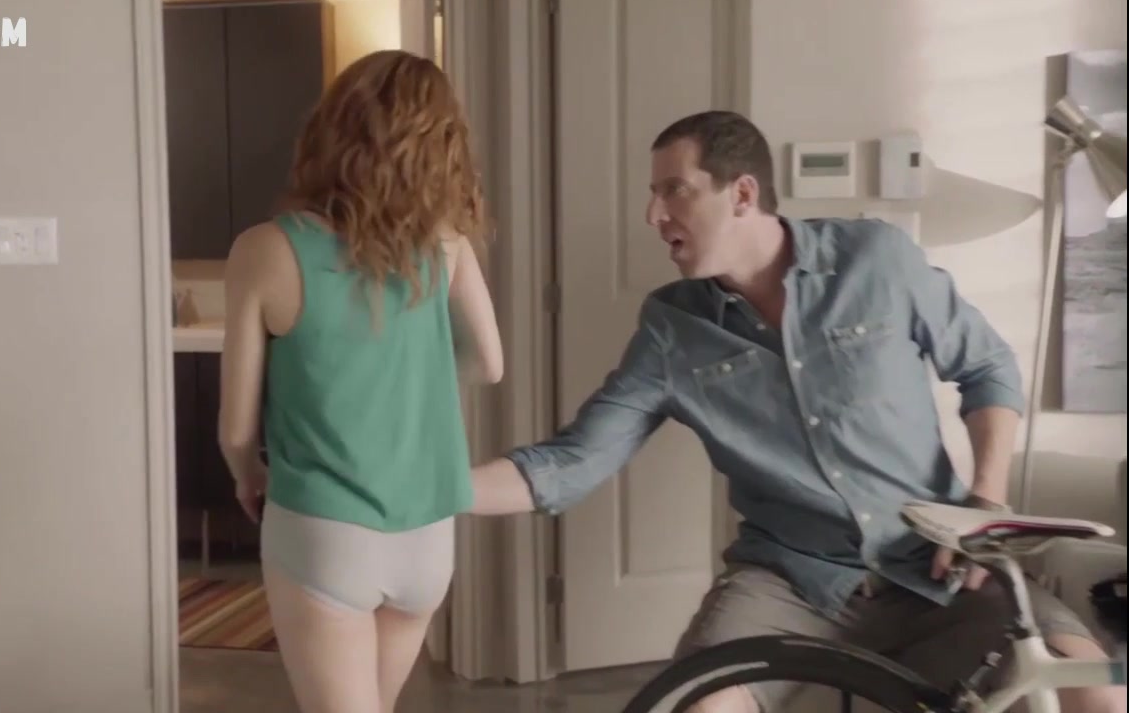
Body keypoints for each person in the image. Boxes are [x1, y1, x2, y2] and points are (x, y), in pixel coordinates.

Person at [468, 110, 1125, 713]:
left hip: (938, 567)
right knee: (696, 707)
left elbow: (987, 368)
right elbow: (574, 461)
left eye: (674, 190)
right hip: (790, 581)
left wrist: (986, 498)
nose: (653, 214)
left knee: (1098, 694)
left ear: (742, 194)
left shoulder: (876, 260)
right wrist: (438, 489)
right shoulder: (672, 328)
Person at [217, 49, 503, 713]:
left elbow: (235, 428)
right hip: (427, 536)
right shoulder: (446, 245)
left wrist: (247, 474)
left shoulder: (266, 249)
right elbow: (489, 365)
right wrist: (411, 373)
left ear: (331, 129)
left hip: (324, 533)